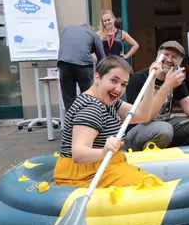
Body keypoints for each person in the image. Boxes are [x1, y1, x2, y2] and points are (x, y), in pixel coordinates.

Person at [54, 56, 163, 188]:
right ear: (97, 77)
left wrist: (151, 82)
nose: (118, 89)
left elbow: (142, 115)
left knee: (151, 183)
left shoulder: (109, 102)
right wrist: (103, 151)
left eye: (123, 84)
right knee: (150, 186)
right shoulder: (91, 108)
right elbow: (79, 154)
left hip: (101, 165)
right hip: (84, 174)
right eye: (113, 81)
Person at [123, 41, 189, 151]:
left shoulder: (176, 78)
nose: (169, 59)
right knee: (165, 129)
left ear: (179, 62)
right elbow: (144, 119)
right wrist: (167, 86)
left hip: (163, 127)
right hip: (136, 132)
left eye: (174, 57)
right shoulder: (139, 78)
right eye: (166, 55)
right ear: (157, 56)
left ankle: (171, 152)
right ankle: (151, 158)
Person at [57, 24, 105, 112]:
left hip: (64, 63)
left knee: (68, 98)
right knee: (88, 96)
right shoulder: (93, 35)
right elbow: (102, 60)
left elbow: (64, 47)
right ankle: (90, 119)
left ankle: (71, 123)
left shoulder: (67, 29)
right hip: (84, 66)